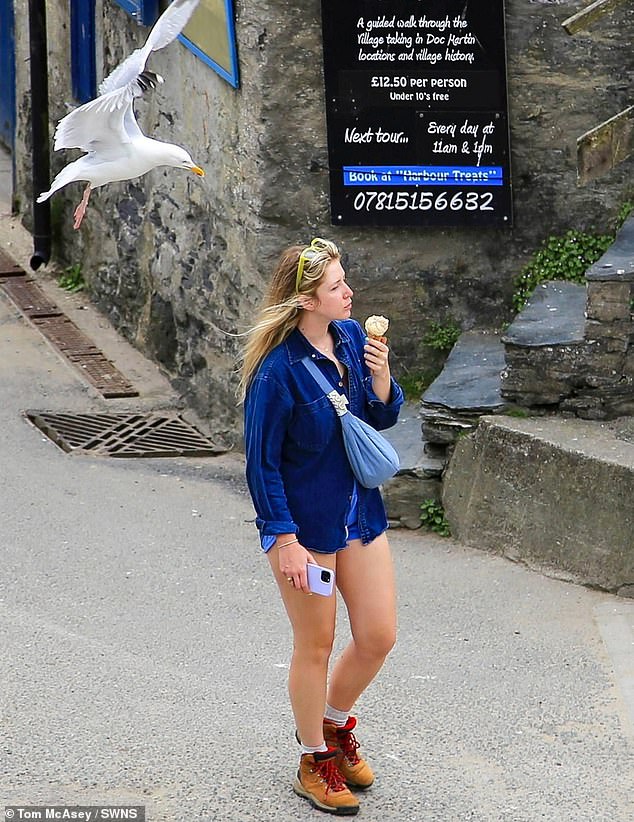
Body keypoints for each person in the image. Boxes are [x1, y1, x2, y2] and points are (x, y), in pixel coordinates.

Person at [239, 238, 404, 816]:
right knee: (316, 643)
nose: (349, 292)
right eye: (337, 286)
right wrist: (283, 540)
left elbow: (379, 418)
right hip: (304, 529)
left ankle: (334, 726)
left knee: (379, 634)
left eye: (345, 281)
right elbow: (260, 464)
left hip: (360, 512)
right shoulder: (275, 373)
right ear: (307, 300)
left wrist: (382, 381)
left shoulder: (355, 339)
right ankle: (313, 759)